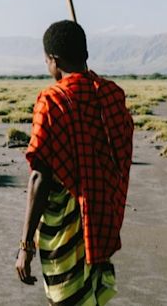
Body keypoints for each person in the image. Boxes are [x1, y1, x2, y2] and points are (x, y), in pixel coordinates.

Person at [15, 20, 134, 305]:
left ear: (54, 60)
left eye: (46, 61)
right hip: (100, 215)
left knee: (68, 298)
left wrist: (25, 245)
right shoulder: (110, 94)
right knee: (89, 296)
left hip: (67, 227)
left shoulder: (51, 100)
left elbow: (39, 177)